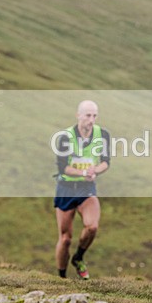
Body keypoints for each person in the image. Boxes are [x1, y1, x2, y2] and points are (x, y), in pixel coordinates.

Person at [53, 100, 110, 280]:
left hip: (86, 188)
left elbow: (105, 162)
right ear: (78, 115)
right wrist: (83, 172)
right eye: (87, 115)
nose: (91, 120)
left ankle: (78, 258)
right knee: (65, 238)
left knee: (92, 226)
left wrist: (95, 171)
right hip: (67, 188)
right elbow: (63, 168)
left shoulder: (103, 135)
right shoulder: (64, 137)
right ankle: (61, 277)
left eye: (94, 116)